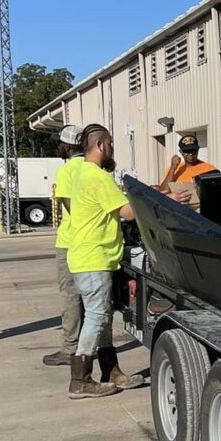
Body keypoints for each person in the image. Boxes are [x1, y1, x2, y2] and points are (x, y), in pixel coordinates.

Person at [65, 124, 144, 398]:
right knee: (98, 315)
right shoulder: (97, 177)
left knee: (104, 317)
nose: (112, 149)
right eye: (110, 144)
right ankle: (80, 379)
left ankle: (111, 370)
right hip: (93, 257)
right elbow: (128, 212)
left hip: (91, 257)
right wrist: (159, 200)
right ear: (101, 145)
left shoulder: (83, 174)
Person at [43, 125, 86, 367]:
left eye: (59, 143)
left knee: (70, 295)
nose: (58, 147)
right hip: (91, 243)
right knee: (89, 298)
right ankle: (88, 345)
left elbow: (72, 209)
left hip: (71, 242)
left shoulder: (67, 170)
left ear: (68, 146)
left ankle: (70, 348)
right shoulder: (94, 167)